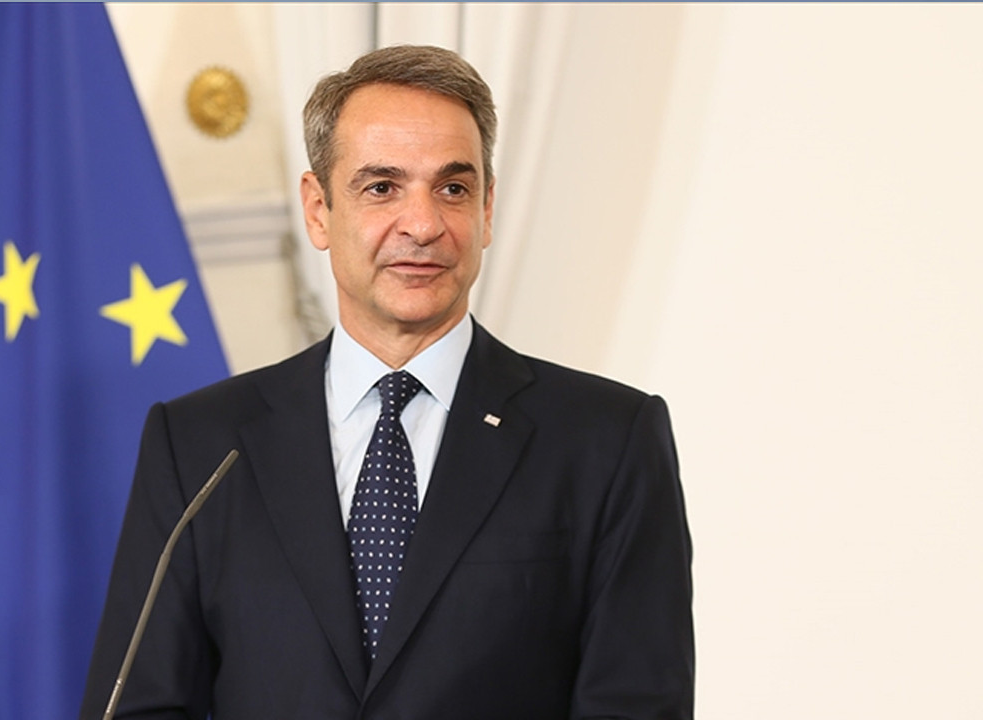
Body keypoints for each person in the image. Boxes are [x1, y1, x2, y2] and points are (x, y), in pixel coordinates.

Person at [81, 44, 694, 719]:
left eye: (453, 189)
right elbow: (140, 705)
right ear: (319, 209)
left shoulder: (607, 442)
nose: (424, 225)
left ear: (487, 209)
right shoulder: (200, 446)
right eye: (382, 187)